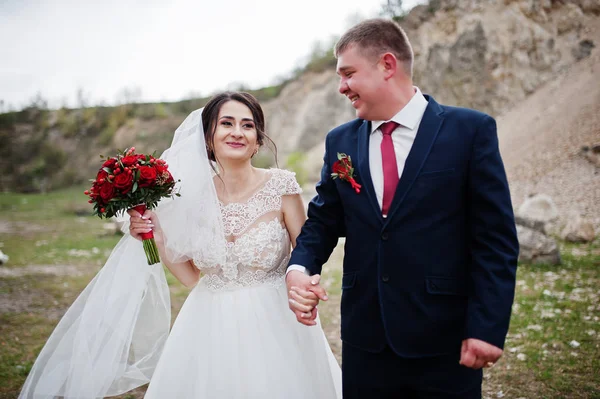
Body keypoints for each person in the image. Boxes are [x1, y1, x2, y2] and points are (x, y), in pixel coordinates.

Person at [19, 92, 341, 399]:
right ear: (208, 137)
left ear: (258, 139)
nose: (238, 132)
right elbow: (190, 278)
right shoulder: (192, 198)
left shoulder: (281, 186)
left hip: (277, 320)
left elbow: (306, 249)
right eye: (226, 123)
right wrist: (156, 238)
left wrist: (306, 288)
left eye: (248, 125)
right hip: (210, 321)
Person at [286, 18, 519, 398]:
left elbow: (495, 240)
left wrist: (487, 328)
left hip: (444, 339)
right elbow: (324, 220)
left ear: (387, 65)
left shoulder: (470, 131)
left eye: (348, 73)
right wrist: (300, 267)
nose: (341, 86)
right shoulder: (339, 141)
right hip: (365, 339)